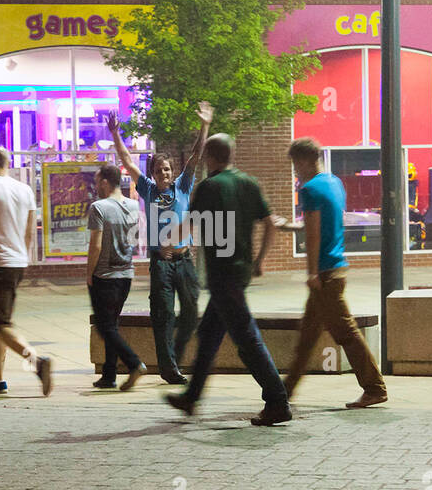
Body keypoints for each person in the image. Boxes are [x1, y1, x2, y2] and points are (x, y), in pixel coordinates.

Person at [165, 134, 291, 426]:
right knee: (209, 334)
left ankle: (277, 401)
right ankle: (191, 398)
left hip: (222, 274)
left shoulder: (209, 187)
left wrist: (168, 241)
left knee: (247, 338)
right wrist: (260, 261)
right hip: (241, 271)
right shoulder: (249, 183)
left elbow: (189, 224)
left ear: (210, 156)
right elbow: (271, 223)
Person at [275, 138, 388, 409]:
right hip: (337, 268)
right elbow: (320, 223)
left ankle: (375, 388)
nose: (294, 171)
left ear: (303, 161)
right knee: (308, 337)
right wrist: (289, 226)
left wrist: (311, 272)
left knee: (346, 333)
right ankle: (283, 393)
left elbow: (313, 234)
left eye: (294, 165)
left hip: (325, 273)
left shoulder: (309, 189)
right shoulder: (334, 183)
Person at [107, 101, 212, 384]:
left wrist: (205, 125)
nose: (164, 174)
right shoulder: (149, 190)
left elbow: (196, 155)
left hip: (185, 261)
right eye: (159, 170)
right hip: (162, 265)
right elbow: (128, 161)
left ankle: (174, 354)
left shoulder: (183, 186)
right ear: (153, 174)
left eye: (167, 170)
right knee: (163, 315)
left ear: (172, 171)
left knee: (191, 310)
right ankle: (169, 368)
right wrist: (116, 134)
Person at [0, 147, 53, 396]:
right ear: (10, 162)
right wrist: (23, 256)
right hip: (18, 261)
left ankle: (36, 362)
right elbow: (31, 229)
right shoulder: (26, 190)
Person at [86, 164, 147, 390]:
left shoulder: (99, 207)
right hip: (126, 274)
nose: (95, 186)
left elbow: (96, 245)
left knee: (105, 326)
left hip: (105, 275)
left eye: (96, 181)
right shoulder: (133, 206)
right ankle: (109, 374)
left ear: (104, 181)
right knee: (112, 323)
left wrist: (89, 273)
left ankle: (134, 363)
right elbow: (133, 239)